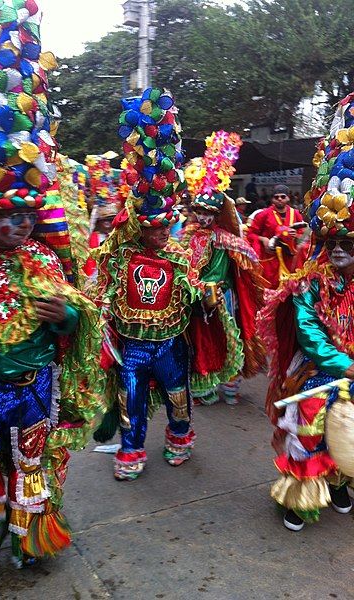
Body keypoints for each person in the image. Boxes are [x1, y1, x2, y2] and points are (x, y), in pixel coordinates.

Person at [0, 1, 106, 567]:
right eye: (6, 217)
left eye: (28, 217)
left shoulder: (43, 257)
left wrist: (67, 316)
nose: (18, 226)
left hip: (36, 384)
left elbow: (79, 315)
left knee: (32, 465)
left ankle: (30, 540)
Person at [93, 88, 203, 481]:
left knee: (178, 396)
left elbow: (193, 290)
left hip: (171, 343)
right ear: (138, 225)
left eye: (163, 228)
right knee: (130, 400)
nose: (158, 235)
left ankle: (179, 437)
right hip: (134, 345)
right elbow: (103, 288)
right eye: (150, 229)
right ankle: (131, 448)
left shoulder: (179, 254)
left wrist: (203, 296)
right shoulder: (121, 254)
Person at [258, 90, 354, 532]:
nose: (337, 251)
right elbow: (309, 332)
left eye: (347, 244)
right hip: (318, 372)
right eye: (331, 243)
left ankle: (339, 481)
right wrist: (344, 365)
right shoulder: (306, 285)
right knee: (308, 428)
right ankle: (298, 497)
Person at [182, 132, 265, 406]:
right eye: (199, 211)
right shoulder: (189, 235)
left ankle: (230, 386)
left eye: (208, 213)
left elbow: (249, 259)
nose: (203, 216)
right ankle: (203, 387)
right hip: (196, 297)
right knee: (201, 341)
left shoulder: (224, 238)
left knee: (228, 338)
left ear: (217, 215)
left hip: (223, 297)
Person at [247, 184, 306, 289]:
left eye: (283, 196)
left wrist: (296, 235)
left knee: (290, 290)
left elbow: (303, 234)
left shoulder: (295, 213)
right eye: (276, 197)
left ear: (288, 198)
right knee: (271, 290)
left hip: (290, 259)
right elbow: (251, 233)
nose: (279, 199)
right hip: (270, 260)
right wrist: (263, 239)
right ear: (272, 199)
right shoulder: (264, 214)